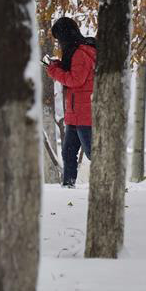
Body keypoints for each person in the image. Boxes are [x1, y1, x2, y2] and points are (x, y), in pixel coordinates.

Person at [44, 17, 97, 188]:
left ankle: (110, 182)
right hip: (75, 113)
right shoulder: (75, 51)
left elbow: (75, 80)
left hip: (85, 113)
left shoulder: (81, 53)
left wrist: (54, 72)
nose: (59, 43)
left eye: (59, 38)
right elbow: (72, 72)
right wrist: (57, 65)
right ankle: (68, 186)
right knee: (68, 152)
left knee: (92, 153)